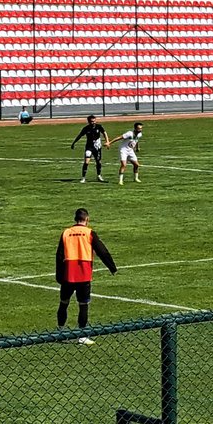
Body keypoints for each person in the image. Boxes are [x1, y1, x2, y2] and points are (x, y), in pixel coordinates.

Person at [55, 207, 116, 345]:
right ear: (87, 219)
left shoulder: (66, 233)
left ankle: (59, 331)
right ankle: (82, 336)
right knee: (83, 305)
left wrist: (59, 275)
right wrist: (112, 267)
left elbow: (59, 255)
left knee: (64, 303)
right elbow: (102, 251)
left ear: (75, 219)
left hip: (68, 275)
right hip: (83, 275)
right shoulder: (89, 233)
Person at [71, 114, 110, 183]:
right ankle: (83, 178)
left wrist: (107, 142)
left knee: (98, 162)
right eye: (92, 121)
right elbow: (79, 135)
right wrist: (74, 143)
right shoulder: (86, 128)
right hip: (89, 147)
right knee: (86, 162)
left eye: (94, 121)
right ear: (89, 122)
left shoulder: (99, 126)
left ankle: (99, 176)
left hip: (97, 147)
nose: (93, 123)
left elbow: (104, 133)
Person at [108, 122, 144, 186]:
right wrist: (109, 143)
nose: (140, 130)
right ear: (135, 128)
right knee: (124, 165)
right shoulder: (129, 133)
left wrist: (137, 147)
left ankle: (136, 178)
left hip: (130, 151)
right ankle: (120, 181)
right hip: (123, 150)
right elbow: (119, 137)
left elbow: (136, 140)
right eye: (139, 128)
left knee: (136, 165)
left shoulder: (139, 134)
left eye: (141, 128)